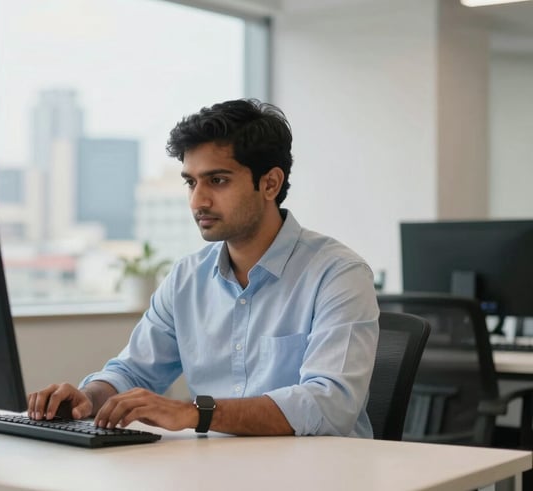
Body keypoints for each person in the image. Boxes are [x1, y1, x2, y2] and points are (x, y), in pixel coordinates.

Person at [28, 99, 380, 437]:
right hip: (214, 468)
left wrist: (196, 413)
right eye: (191, 182)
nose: (198, 201)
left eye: (218, 180)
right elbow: (134, 371)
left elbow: (331, 404)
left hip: (319, 472)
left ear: (270, 183)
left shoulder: (338, 274)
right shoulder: (186, 278)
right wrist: (89, 399)